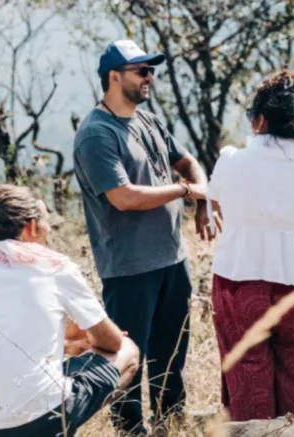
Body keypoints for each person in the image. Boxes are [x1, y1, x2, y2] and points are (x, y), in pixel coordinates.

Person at [72, 39, 210, 436]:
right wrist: (186, 191)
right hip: (130, 269)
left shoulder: (148, 119)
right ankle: (129, 432)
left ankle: (171, 425)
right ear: (114, 77)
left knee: (171, 359)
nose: (150, 78)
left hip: (172, 260)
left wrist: (203, 200)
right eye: (141, 71)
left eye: (151, 70)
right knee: (127, 361)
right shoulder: (96, 134)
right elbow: (124, 197)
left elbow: (187, 161)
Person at [0, 185, 140, 437]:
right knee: (129, 351)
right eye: (46, 220)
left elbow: (1, 341)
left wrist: (64, 343)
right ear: (31, 226)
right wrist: (89, 339)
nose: (49, 229)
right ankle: (61, 428)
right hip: (37, 420)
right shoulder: (55, 268)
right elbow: (113, 342)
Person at [207, 70, 294, 422]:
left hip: (239, 280)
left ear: (260, 119)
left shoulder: (232, 160)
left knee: (248, 381)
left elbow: (214, 199)